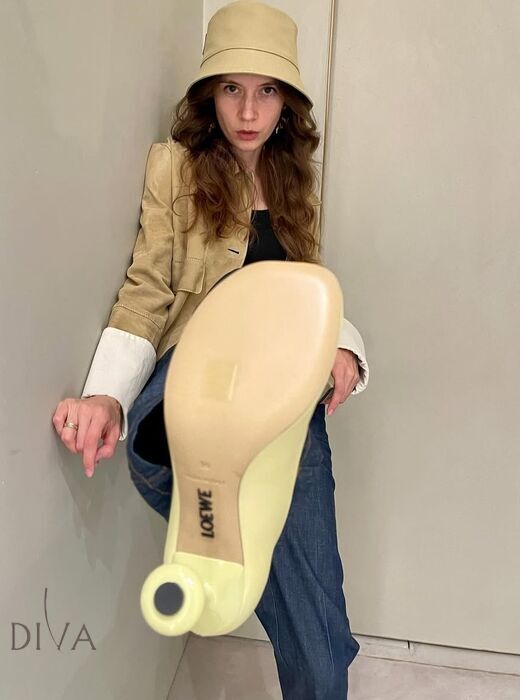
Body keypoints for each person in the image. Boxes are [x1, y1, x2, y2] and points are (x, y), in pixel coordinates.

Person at [52, 1, 369, 696]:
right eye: (231, 88)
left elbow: (310, 282)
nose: (248, 110)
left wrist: (341, 348)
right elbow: (146, 289)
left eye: (266, 91)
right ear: (209, 94)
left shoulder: (295, 181)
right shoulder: (174, 168)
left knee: (316, 599)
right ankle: (226, 539)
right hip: (197, 374)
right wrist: (105, 396)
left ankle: (298, 629)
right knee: (157, 442)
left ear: (286, 104)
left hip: (282, 386)